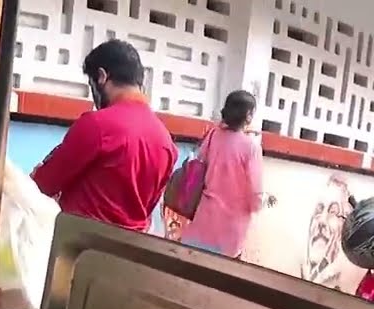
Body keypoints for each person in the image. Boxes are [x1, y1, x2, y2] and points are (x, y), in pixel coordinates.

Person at [32, 39, 177, 233]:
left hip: (79, 247)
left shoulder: (97, 125)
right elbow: (148, 207)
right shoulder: (166, 142)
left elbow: (43, 184)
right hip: (130, 252)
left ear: (101, 76)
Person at [180, 91, 273, 258]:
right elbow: (255, 193)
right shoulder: (251, 148)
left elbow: (199, 163)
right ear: (248, 115)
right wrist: (263, 201)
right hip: (231, 228)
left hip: (204, 218)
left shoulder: (213, 135)